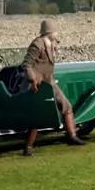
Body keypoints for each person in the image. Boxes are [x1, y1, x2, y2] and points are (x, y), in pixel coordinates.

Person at [21, 19, 85, 156]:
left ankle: (72, 136)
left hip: (49, 82)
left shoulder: (50, 44)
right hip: (37, 84)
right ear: (49, 32)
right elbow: (26, 64)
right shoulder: (37, 44)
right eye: (55, 31)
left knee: (66, 106)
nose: (57, 34)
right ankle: (28, 147)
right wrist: (32, 80)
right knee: (36, 116)